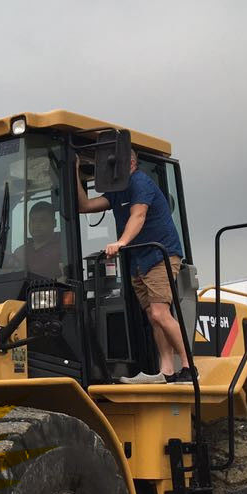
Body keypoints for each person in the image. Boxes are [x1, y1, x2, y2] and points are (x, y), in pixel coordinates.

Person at [77, 151, 192, 383]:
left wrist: (121, 242)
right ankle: (167, 370)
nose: (109, 169)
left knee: (160, 312)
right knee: (152, 315)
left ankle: (190, 367)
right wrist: (74, 170)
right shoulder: (117, 191)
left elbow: (138, 215)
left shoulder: (140, 182)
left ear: (130, 163)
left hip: (161, 255)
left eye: (113, 163)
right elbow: (85, 206)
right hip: (139, 259)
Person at [11, 201, 63, 278]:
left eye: (43, 220)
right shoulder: (21, 252)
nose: (36, 225)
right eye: (33, 220)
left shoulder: (63, 247)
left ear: (54, 223)